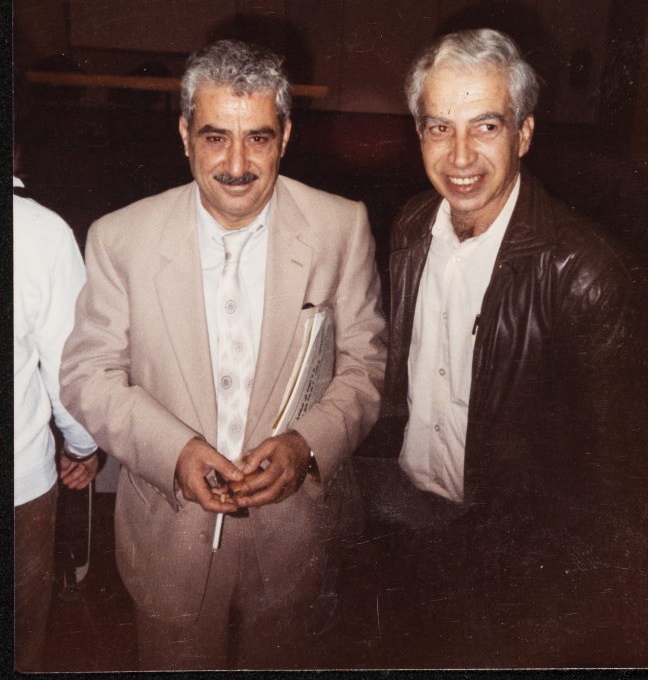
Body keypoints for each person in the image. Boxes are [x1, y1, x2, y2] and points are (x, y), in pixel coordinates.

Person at [60, 39, 387, 670]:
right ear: (185, 134)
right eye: (215, 137)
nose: (237, 164)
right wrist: (173, 452)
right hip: (169, 532)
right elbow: (87, 374)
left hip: (294, 532)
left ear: (284, 136)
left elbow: (366, 364)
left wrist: (307, 446)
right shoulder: (120, 238)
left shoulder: (339, 228)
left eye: (258, 138)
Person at [356, 28, 648, 668]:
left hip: (518, 560)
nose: (460, 155)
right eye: (439, 128)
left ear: (523, 134)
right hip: (409, 525)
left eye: (486, 127)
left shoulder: (586, 275)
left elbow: (623, 485)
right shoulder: (412, 225)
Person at [14, 174, 99, 673]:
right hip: (18, 483)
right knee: (19, 637)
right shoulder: (38, 230)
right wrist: (82, 447)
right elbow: (68, 365)